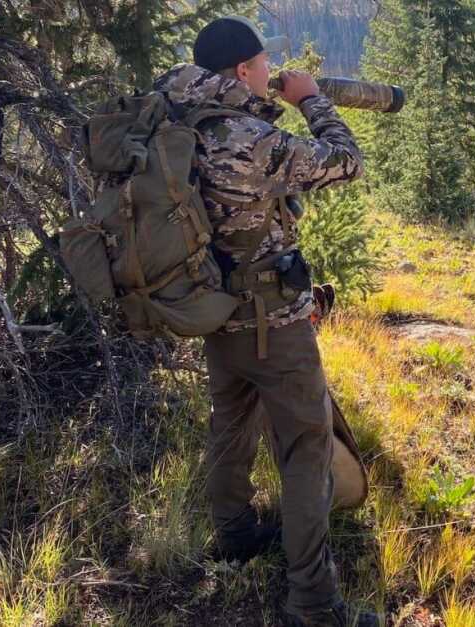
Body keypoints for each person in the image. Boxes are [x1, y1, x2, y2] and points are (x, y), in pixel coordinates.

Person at [153, 16, 378, 627]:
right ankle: (313, 602)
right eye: (260, 64)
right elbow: (346, 162)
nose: (266, 72)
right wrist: (311, 100)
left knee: (230, 425)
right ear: (243, 71)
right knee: (305, 450)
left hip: (213, 310)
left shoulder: (174, 122)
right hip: (274, 322)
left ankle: (233, 532)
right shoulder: (249, 138)